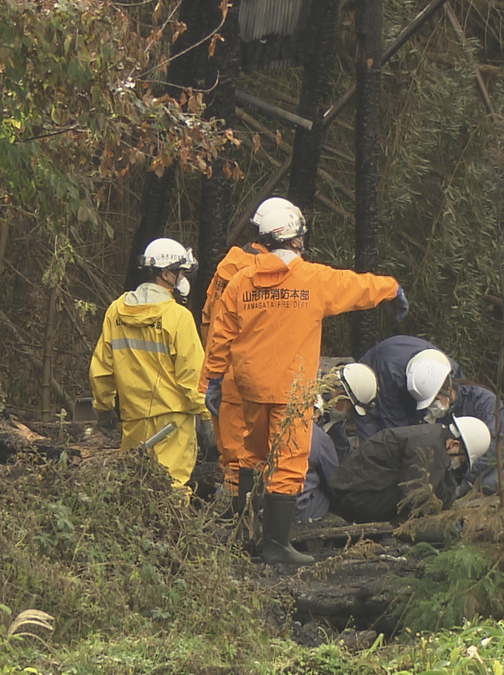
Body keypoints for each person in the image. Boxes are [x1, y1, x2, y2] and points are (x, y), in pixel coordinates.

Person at [204, 197, 407, 564]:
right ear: (296, 239)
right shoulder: (314, 280)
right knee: (287, 463)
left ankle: (245, 532)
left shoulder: (240, 281)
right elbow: (358, 286)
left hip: (250, 387)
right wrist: (391, 289)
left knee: (251, 455)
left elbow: (221, 332)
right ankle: (276, 546)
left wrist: (214, 378)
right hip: (291, 390)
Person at [89, 238, 210, 488]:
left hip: (134, 419)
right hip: (174, 422)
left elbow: (102, 368)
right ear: (166, 274)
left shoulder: (116, 311)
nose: (183, 278)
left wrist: (104, 407)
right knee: (173, 488)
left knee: (135, 487)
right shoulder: (178, 316)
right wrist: (206, 414)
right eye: (180, 272)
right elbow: (193, 376)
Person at [199, 218, 271, 501]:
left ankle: (229, 509)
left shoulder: (225, 269)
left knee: (229, 457)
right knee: (251, 459)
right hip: (247, 379)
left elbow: (208, 320)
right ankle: (243, 514)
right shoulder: (263, 276)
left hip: (217, 376)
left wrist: (213, 367)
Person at [329, 416, 490, 524]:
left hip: (354, 491)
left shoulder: (432, 436)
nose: (459, 464)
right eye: (462, 459)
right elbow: (414, 497)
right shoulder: (431, 447)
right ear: (454, 445)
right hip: (353, 498)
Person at [296, 363, 380, 522]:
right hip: (295, 495)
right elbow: (334, 481)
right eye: (351, 409)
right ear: (341, 395)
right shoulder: (316, 430)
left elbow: (342, 450)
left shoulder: (332, 414)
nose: (349, 415)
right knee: (327, 495)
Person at [420, 374, 504, 493]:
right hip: (468, 467)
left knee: (487, 486)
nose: (432, 407)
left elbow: (493, 447)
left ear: (448, 390)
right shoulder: (443, 414)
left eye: (435, 400)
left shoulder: (484, 401)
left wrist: (469, 480)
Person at [354, 336, 462, 440]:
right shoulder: (392, 376)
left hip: (404, 381)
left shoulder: (450, 370)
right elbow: (395, 429)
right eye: (434, 401)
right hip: (371, 382)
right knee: (374, 440)